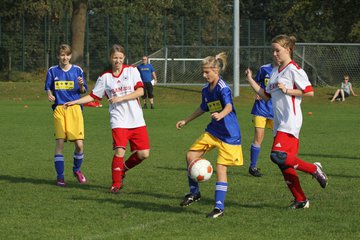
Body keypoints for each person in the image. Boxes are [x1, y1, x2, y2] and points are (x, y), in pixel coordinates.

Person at [245, 34, 328, 209]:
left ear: (288, 49)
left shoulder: (294, 69)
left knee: (277, 155)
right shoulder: (275, 71)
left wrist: (288, 90)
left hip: (290, 121)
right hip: (279, 123)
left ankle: (314, 169)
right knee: (284, 164)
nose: (274, 54)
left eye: (277, 50)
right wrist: (251, 80)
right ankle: (301, 200)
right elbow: (266, 96)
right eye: (273, 51)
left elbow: (309, 92)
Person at [65, 44, 150, 193]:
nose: (117, 60)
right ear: (110, 58)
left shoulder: (132, 71)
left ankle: (122, 170)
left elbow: (141, 91)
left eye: (120, 57)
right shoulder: (105, 77)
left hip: (136, 119)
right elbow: (93, 96)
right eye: (115, 57)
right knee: (120, 151)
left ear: (124, 58)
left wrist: (121, 98)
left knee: (144, 154)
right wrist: (75, 101)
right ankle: (115, 184)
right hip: (118, 120)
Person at [176, 52, 243, 218]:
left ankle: (218, 207)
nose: (203, 75)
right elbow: (203, 107)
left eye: (207, 72)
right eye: (203, 71)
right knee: (190, 155)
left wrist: (220, 115)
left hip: (229, 135)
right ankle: (194, 193)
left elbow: (228, 106)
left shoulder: (223, 88)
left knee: (220, 168)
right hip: (213, 131)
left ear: (216, 71)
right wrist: (187, 120)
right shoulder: (206, 89)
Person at [44, 43, 88, 187]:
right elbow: (48, 88)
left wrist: (81, 85)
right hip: (59, 109)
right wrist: (50, 94)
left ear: (70, 56)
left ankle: (77, 170)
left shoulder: (77, 70)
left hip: (75, 109)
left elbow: (83, 91)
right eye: (62, 55)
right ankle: (60, 177)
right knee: (60, 142)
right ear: (58, 56)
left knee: (79, 145)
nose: (65, 57)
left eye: (67, 55)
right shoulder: (52, 71)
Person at [248, 63, 274, 177]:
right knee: (258, 136)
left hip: (276, 110)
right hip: (261, 107)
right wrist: (257, 93)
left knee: (280, 138)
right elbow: (257, 82)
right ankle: (253, 167)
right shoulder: (264, 68)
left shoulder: (287, 70)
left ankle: (287, 164)